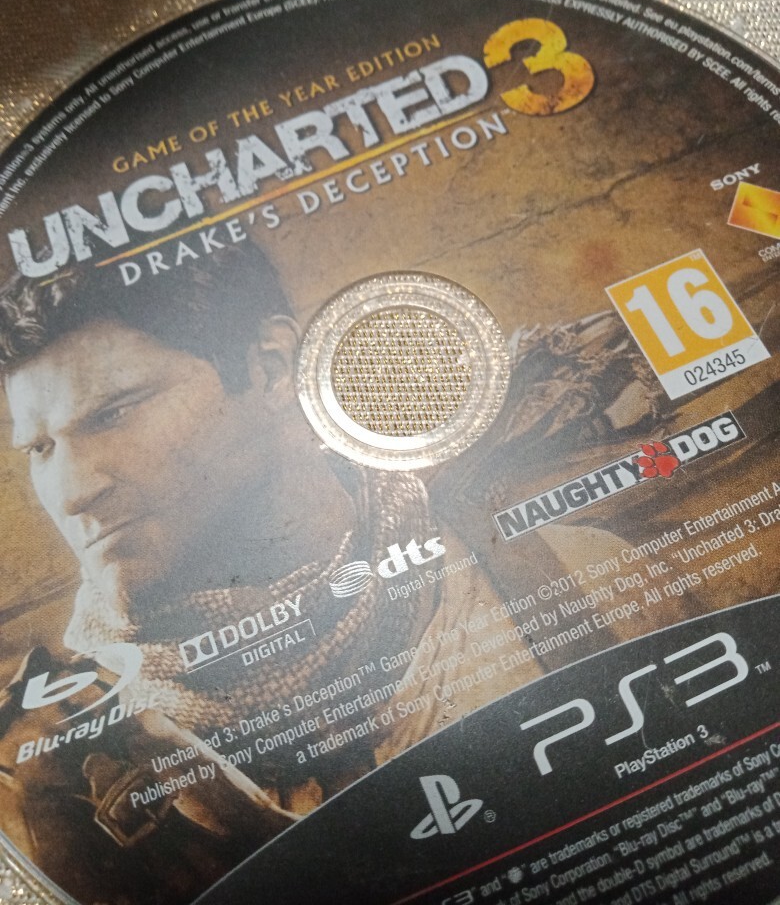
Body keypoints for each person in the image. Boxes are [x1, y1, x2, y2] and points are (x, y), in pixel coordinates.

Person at [0, 243, 546, 903]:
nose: (71, 493)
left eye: (114, 413)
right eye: (41, 447)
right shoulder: (47, 779)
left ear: (269, 367)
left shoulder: (561, 573)